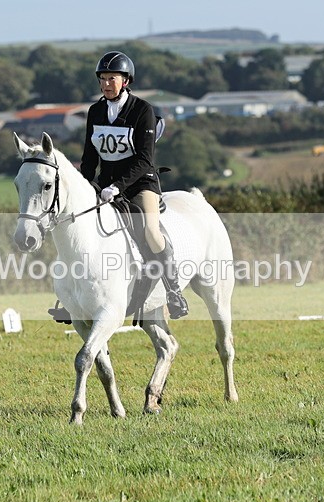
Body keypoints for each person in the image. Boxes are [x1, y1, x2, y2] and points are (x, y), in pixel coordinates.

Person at [80, 50, 188, 319]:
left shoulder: (143, 111)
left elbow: (144, 158)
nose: (106, 84)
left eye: (112, 78)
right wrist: (86, 185)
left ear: (125, 81)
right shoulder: (95, 111)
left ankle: (174, 291)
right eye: (102, 79)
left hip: (140, 182)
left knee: (151, 232)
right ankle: (74, 296)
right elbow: (90, 155)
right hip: (104, 184)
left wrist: (118, 186)